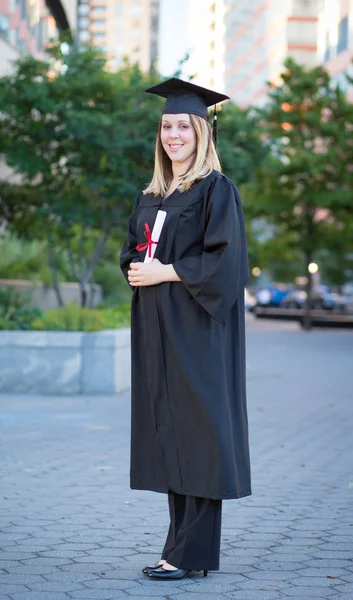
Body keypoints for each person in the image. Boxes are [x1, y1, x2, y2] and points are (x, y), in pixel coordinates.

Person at [119, 77, 251, 581]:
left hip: (196, 328)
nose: (174, 135)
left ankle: (190, 554)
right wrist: (136, 265)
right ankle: (177, 546)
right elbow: (135, 248)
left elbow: (227, 263)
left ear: (201, 132)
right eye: (167, 126)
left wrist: (166, 271)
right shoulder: (151, 193)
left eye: (183, 126)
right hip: (157, 328)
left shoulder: (217, 190)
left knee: (199, 434)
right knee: (171, 432)